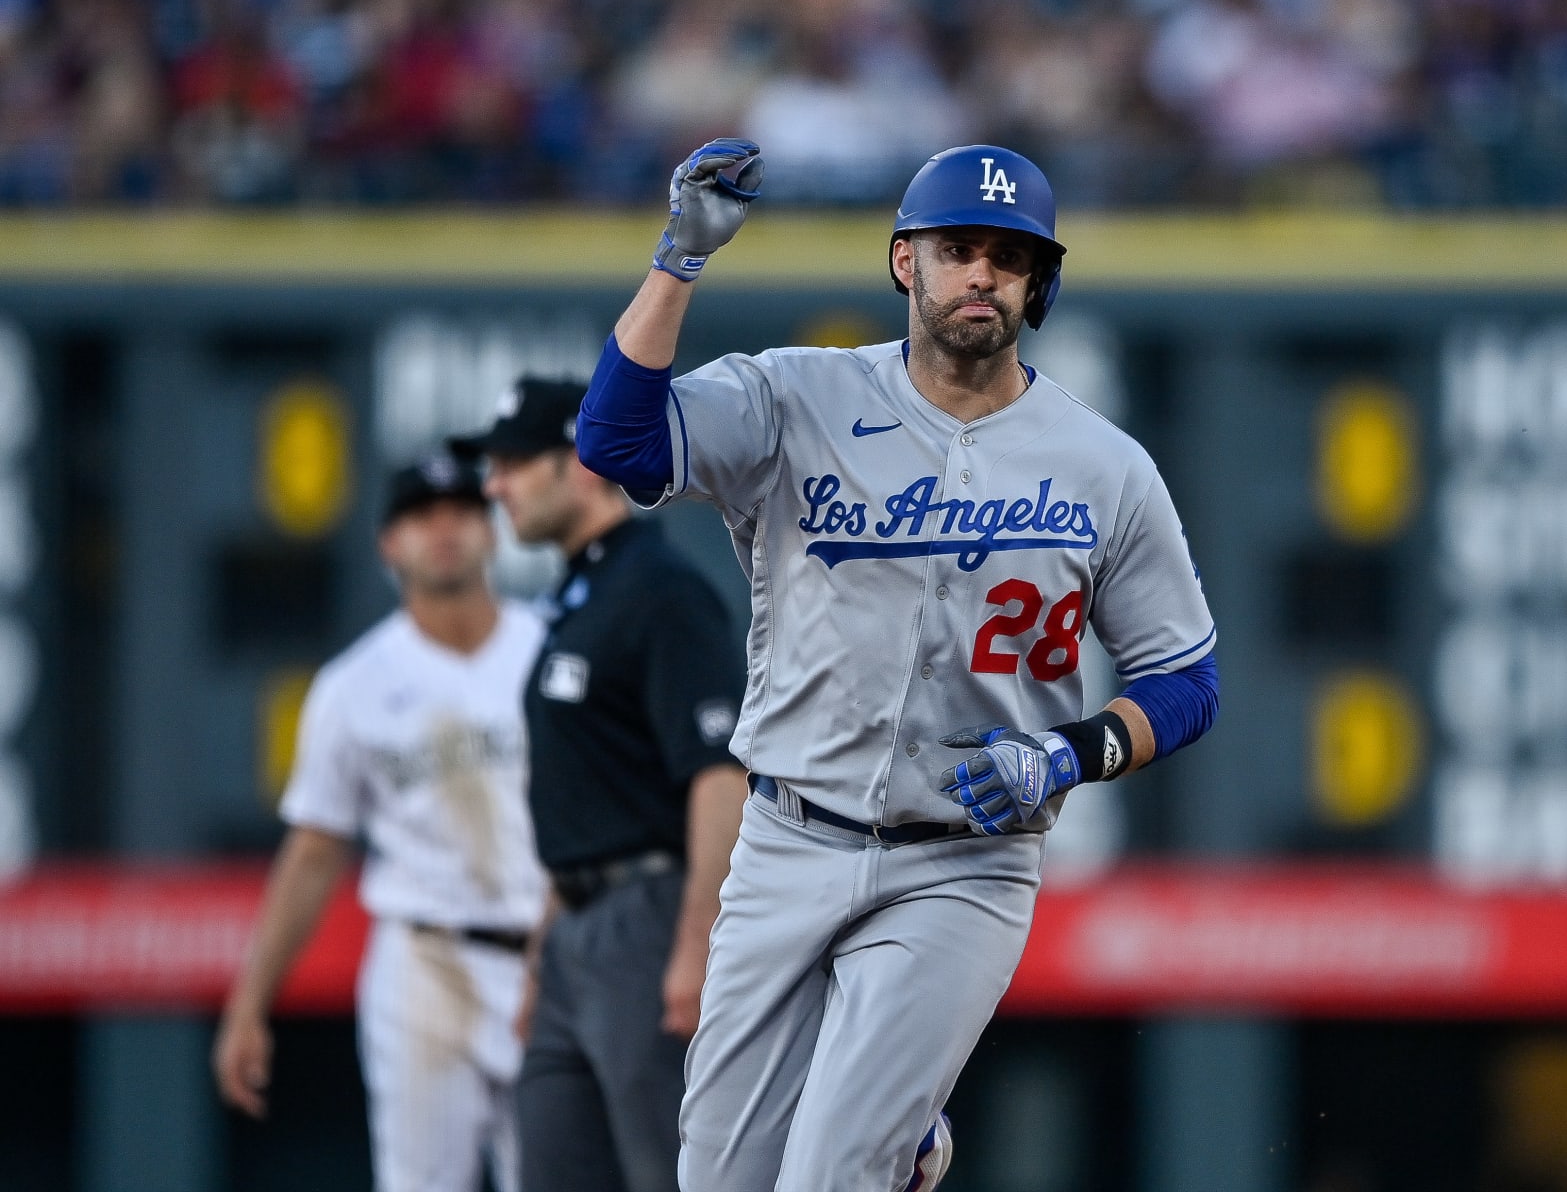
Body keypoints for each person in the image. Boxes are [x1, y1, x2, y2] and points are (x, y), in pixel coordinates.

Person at [577, 139, 1221, 1191]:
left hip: (964, 860)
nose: (982, 274)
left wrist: (1072, 755)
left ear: (1037, 281)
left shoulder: (1105, 465)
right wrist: (678, 261)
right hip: (788, 836)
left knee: (829, 1175)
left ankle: (885, 1136)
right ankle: (908, 1136)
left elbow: (1187, 681)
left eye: (1008, 258)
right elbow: (615, 445)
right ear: (903, 263)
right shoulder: (798, 397)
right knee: (717, 1180)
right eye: (958, 248)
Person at [213, 453, 547, 1192]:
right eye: (421, 517)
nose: (444, 530)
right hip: (426, 962)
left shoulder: (553, 652)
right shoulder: (353, 686)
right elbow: (313, 852)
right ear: (388, 545)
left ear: (493, 531)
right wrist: (250, 1004)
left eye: (460, 511)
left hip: (548, 958)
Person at [450, 375, 748, 1192]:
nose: (495, 485)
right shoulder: (579, 600)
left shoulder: (663, 593)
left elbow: (721, 775)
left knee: (674, 1175)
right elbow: (584, 805)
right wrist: (547, 950)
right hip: (578, 931)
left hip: (650, 923)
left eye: (514, 462)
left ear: (581, 464)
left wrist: (694, 947)